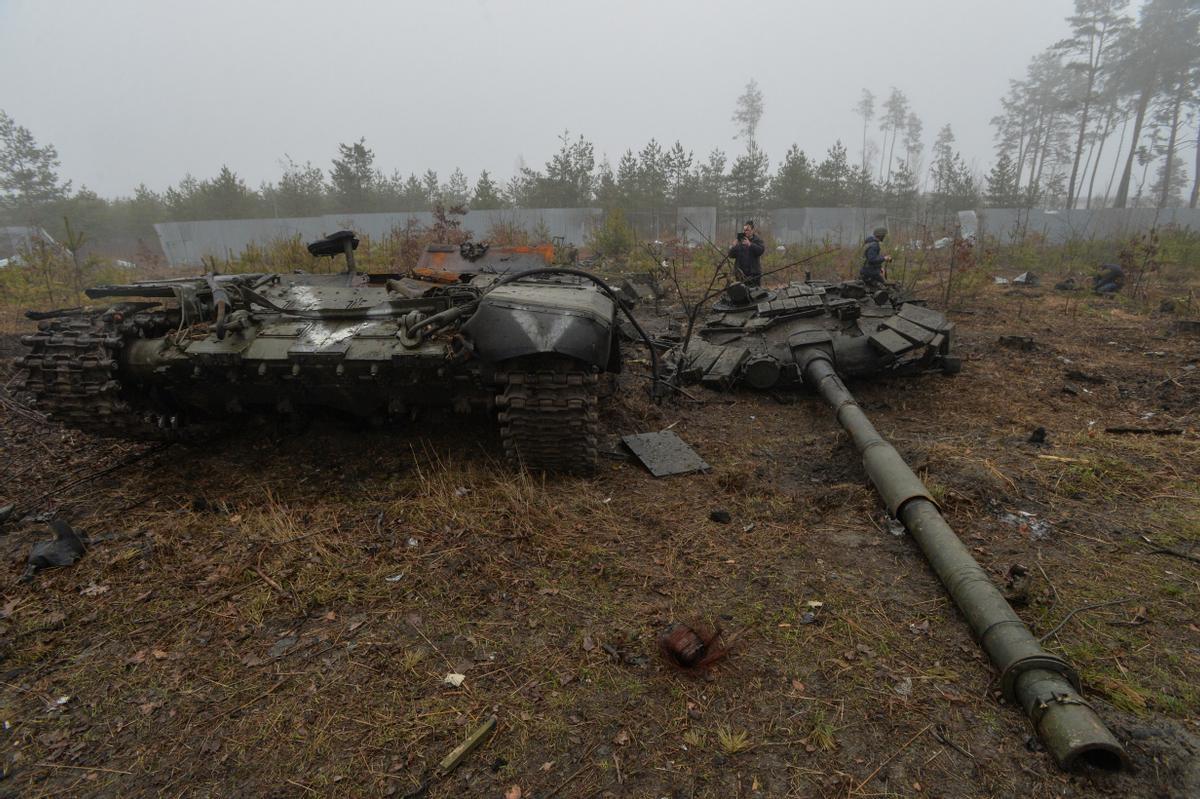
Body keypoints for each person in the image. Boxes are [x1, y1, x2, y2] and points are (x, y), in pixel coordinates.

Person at [728, 221, 765, 287]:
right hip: (740, 275)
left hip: (754, 275)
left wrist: (750, 244)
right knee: (741, 295)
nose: (745, 232)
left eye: (747, 230)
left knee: (755, 294)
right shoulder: (740, 242)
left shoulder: (757, 240)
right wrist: (733, 246)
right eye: (744, 230)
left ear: (752, 230)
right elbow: (731, 255)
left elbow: (760, 251)